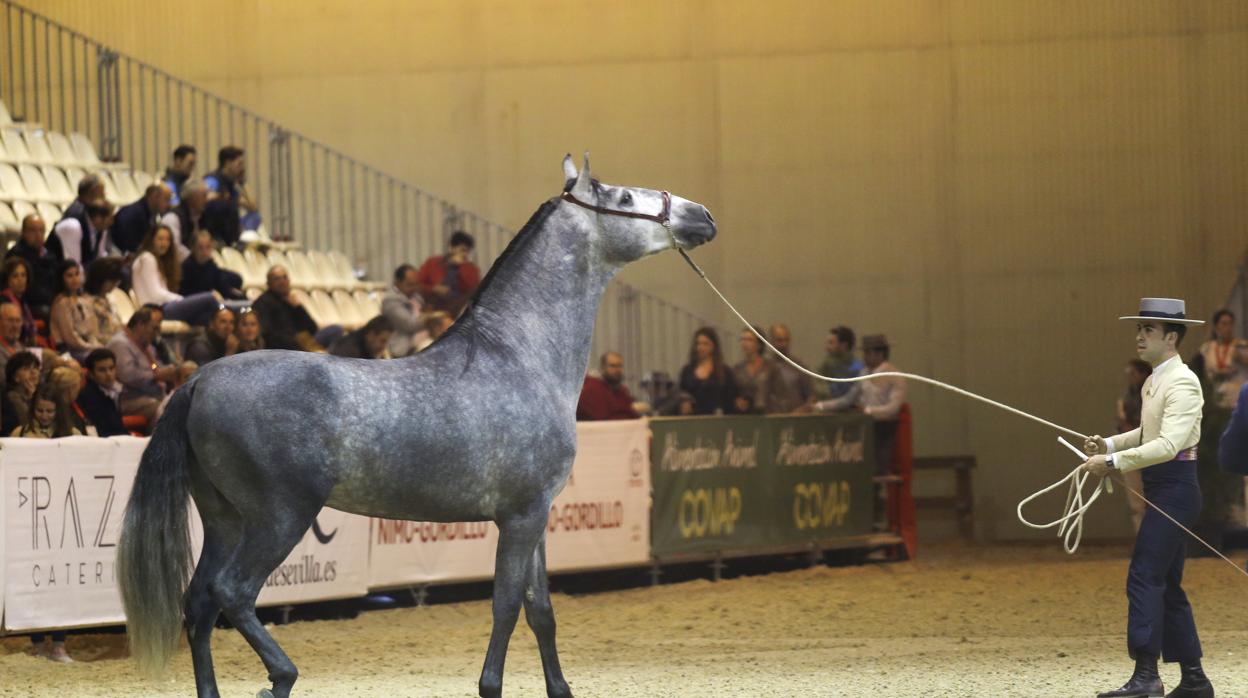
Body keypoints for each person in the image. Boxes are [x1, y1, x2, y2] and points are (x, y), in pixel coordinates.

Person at [1083, 298, 1212, 698]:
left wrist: (1114, 461)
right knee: (1167, 583)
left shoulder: (1184, 382)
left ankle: (1146, 676)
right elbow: (1145, 433)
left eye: (1149, 330)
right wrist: (1108, 443)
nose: (1140, 336)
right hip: (1162, 487)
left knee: (1144, 574)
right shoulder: (1155, 380)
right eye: (1140, 329)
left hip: (1176, 487)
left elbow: (1169, 443)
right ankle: (1194, 679)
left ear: (1171, 337)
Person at [815, 335, 907, 474]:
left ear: (879, 354)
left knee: (878, 469)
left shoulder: (895, 376)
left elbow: (893, 408)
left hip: (884, 429)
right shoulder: (864, 373)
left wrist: (867, 410)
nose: (864, 356)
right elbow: (848, 399)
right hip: (864, 427)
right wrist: (820, 405)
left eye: (867, 352)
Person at [131, 225, 222, 326]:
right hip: (154, 310)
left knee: (205, 318)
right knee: (210, 298)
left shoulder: (157, 260)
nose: (164, 243)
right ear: (151, 240)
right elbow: (156, 294)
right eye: (160, 239)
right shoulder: (147, 258)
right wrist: (181, 300)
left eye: (167, 240)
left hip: (163, 306)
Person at [106, 307, 179, 429]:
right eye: (154, 328)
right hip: (128, 398)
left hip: (151, 394)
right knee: (160, 408)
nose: (156, 333)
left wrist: (171, 372)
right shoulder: (119, 343)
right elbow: (127, 375)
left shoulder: (147, 345)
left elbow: (157, 367)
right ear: (140, 325)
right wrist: (157, 375)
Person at [252, 266, 341, 351]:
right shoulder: (263, 303)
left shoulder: (290, 301)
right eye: (277, 279)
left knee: (335, 330)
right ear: (268, 283)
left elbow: (312, 328)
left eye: (285, 277)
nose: (282, 281)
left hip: (304, 343)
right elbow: (268, 335)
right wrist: (296, 342)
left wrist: (298, 307)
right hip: (286, 348)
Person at [1116, 359, 1154, 533]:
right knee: (1136, 500)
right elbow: (1121, 425)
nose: (1130, 378)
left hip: (1153, 450)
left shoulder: (1155, 395)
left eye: (1134, 374)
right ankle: (1142, 539)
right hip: (1131, 452)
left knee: (1156, 499)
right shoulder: (1125, 399)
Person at [5, 214, 62, 314]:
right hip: (29, 303)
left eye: (41, 230)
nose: (38, 235)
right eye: (33, 230)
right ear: (23, 232)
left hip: (51, 301)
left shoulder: (50, 255)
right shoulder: (16, 255)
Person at [416, 231, 481, 316]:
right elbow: (418, 284)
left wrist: (461, 267)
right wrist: (434, 289)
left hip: (458, 309)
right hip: (434, 307)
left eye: (467, 251)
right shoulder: (433, 262)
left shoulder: (471, 268)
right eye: (462, 250)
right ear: (452, 248)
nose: (465, 254)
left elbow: (473, 290)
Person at [48, 260, 102, 362]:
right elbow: (70, 338)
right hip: (69, 349)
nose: (75, 279)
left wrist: (95, 344)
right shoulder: (61, 302)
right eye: (69, 276)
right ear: (62, 279)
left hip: (86, 344)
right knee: (99, 358)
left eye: (77, 274)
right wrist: (90, 347)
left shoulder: (84, 299)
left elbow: (92, 327)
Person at [733, 325, 794, 414]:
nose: (744, 343)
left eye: (749, 340)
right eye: (742, 339)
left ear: (759, 344)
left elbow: (781, 395)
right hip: (745, 416)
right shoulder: (737, 369)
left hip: (768, 415)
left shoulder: (770, 367)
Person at [678, 327, 738, 415]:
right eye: (698, 344)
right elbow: (681, 391)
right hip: (692, 420)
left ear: (714, 346)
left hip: (716, 419)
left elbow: (730, 398)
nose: (701, 347)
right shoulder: (687, 370)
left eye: (705, 344)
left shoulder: (725, 371)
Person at [204, 145, 260, 238]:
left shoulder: (232, 186)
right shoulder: (212, 180)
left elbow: (253, 207)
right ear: (228, 163)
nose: (242, 168)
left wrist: (243, 182)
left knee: (254, 217)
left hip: (231, 229)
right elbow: (205, 200)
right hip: (215, 230)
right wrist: (220, 197)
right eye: (239, 164)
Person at [54, 174, 106, 265]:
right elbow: (73, 262)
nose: (104, 197)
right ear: (90, 194)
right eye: (101, 194)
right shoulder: (74, 218)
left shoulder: (91, 214)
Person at [180, 230, 245, 300]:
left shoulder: (210, 265)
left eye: (208, 247)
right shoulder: (186, 267)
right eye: (200, 248)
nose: (205, 252)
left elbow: (222, 284)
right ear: (192, 248)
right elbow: (187, 294)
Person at [111, 183, 173, 255]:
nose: (169, 205)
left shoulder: (149, 215)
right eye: (166, 199)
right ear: (154, 196)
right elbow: (129, 247)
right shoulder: (133, 214)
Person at [77, 348, 127, 437]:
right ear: (91, 374)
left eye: (111, 368)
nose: (109, 374)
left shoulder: (115, 389)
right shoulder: (88, 397)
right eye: (102, 370)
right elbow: (101, 431)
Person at [577, 351, 641, 420]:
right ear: (602, 368)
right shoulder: (592, 387)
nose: (617, 370)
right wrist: (631, 409)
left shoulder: (621, 389)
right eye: (612, 366)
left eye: (620, 366)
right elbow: (603, 418)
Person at [768, 323, 815, 412]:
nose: (783, 344)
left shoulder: (799, 366)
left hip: (797, 419)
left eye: (786, 340)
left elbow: (811, 397)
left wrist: (803, 410)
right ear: (771, 341)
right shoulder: (764, 367)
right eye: (779, 340)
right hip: (772, 419)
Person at [382, 263, 426, 357]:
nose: (414, 288)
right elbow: (409, 325)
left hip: (420, 344)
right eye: (410, 285)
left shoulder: (416, 298)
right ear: (397, 283)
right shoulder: (390, 301)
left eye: (416, 284)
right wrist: (430, 320)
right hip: (402, 347)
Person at [54, 198, 114, 266]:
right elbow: (73, 263)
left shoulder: (102, 229)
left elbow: (100, 256)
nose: (112, 222)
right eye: (110, 218)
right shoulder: (73, 227)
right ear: (98, 219)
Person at [83, 257, 125, 346]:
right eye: (112, 281)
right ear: (100, 279)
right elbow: (94, 335)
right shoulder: (88, 303)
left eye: (116, 281)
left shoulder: (108, 299)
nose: (115, 284)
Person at [12, 383, 80, 438]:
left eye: (50, 411)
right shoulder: (19, 433)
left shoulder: (73, 434)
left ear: (58, 410)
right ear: (32, 409)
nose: (44, 416)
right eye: (40, 411)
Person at [817, 326, 863, 400]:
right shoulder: (826, 364)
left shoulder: (857, 366)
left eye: (831, 343)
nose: (827, 347)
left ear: (844, 345)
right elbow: (818, 385)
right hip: (829, 406)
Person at [1, 350, 41, 435]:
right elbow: (26, 426)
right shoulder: (11, 398)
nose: (33, 372)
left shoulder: (43, 392)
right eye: (26, 369)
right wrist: (32, 400)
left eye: (35, 368)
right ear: (15, 377)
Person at [1, 256, 39, 343]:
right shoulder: (4, 301)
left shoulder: (22, 301)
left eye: (23, 275)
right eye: (15, 276)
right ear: (7, 280)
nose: (20, 280)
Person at [329, 315, 393, 359]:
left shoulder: (371, 350)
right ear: (371, 335)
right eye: (382, 341)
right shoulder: (348, 353)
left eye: (388, 342)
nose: (384, 347)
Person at [48, 366, 89, 435]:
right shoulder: (64, 413)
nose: (79, 390)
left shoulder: (68, 407)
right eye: (77, 386)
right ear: (70, 389)